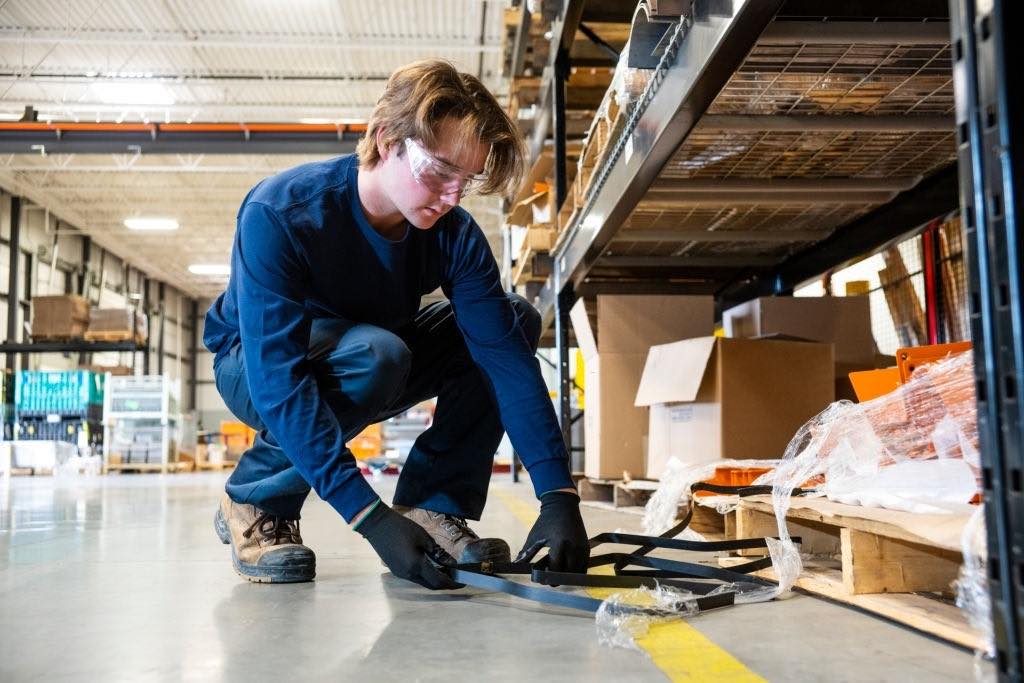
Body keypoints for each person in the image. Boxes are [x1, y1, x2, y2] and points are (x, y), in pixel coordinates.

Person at [205, 59, 590, 589]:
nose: (453, 196)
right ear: (387, 140)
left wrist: (558, 495)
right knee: (378, 355)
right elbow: (279, 381)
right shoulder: (283, 213)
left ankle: (431, 504)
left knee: (514, 319)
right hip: (253, 365)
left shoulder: (452, 234)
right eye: (441, 172)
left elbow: (505, 362)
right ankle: (255, 500)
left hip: (372, 353)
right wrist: (370, 517)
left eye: (466, 180)